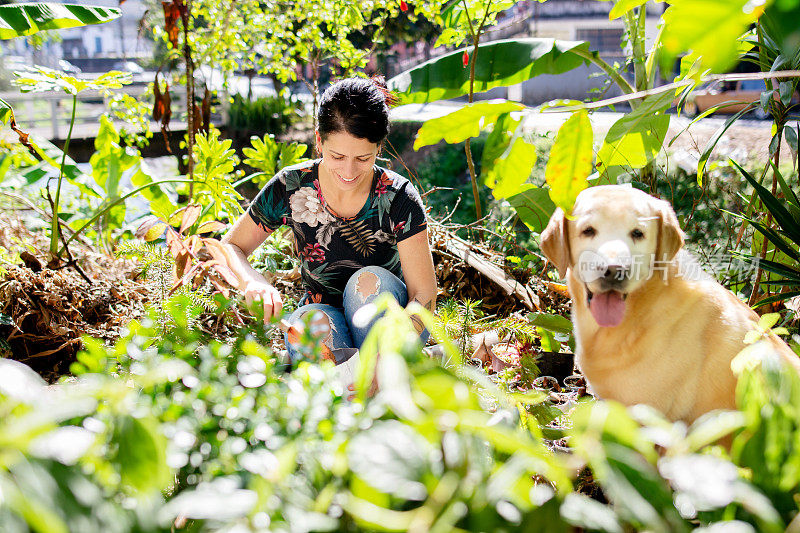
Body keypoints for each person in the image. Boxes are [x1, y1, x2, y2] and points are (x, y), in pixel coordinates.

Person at [221, 77, 437, 363]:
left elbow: (424, 294)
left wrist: (393, 351)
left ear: (379, 149)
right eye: (337, 156)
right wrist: (252, 282)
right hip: (322, 309)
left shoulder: (399, 198)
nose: (348, 171)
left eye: (363, 158)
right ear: (319, 140)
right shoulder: (292, 186)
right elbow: (231, 246)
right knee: (317, 338)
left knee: (367, 282)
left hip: (387, 315)